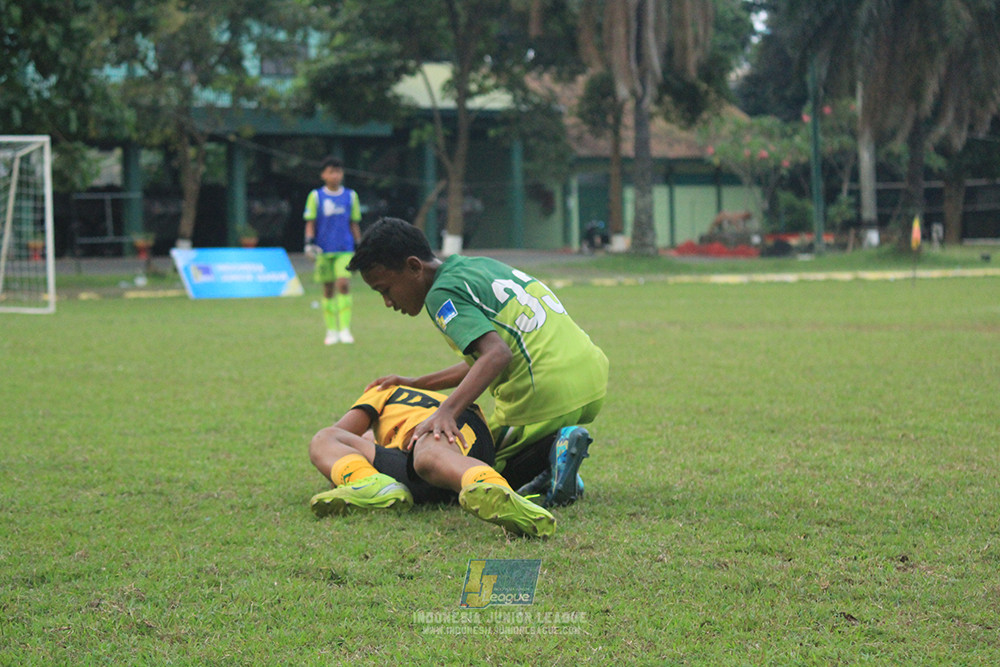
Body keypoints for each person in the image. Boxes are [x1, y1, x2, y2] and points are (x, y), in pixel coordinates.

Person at [346, 217, 609, 507]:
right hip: (589, 375)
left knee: (476, 468)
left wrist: (446, 411)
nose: (387, 302)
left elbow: (496, 356)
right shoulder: (475, 266)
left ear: (414, 267)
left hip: (546, 389)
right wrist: (416, 383)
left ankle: (554, 451)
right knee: (482, 450)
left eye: (386, 289)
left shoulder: (441, 295)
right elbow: (486, 358)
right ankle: (556, 459)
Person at [308, 383, 556, 538]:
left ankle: (498, 491)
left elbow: (342, 432)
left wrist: (342, 465)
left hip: (450, 425)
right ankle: (377, 486)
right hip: (433, 466)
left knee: (325, 437)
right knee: (424, 459)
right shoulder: (415, 402)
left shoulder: (382, 391)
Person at [303, 156, 362, 345]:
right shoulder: (316, 196)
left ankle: (345, 329)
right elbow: (310, 222)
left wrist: (359, 245)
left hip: (345, 248)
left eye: (338, 171)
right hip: (323, 249)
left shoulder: (350, 196)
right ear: (323, 175)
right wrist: (308, 243)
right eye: (331, 172)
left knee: (343, 284)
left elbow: (354, 223)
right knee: (328, 289)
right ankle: (331, 331)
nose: (335, 175)